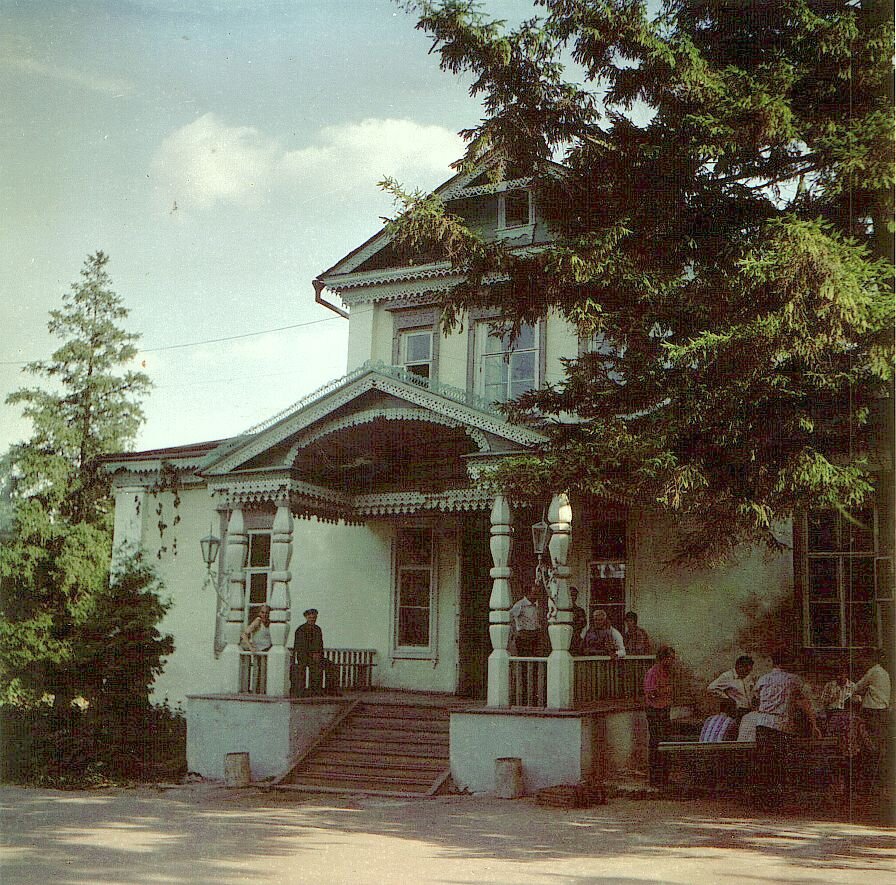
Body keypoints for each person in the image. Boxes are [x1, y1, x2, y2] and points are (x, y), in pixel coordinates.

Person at [752, 650, 821, 809]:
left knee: (763, 762)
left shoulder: (763, 679)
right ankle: (775, 801)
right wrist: (814, 724)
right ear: (787, 663)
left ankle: (761, 800)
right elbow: (804, 703)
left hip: (762, 722)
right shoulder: (793, 680)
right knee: (779, 763)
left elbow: (755, 698)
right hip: (781, 725)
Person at [851, 652, 891, 788]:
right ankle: (878, 779)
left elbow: (857, 687)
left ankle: (869, 779)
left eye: (863, 659)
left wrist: (853, 693)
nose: (861, 663)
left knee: (868, 743)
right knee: (878, 743)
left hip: (872, 711)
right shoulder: (884, 673)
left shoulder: (873, 671)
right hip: (883, 710)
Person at [643, 645, 676, 787]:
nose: (672, 661)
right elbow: (651, 693)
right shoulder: (653, 673)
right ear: (663, 658)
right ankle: (655, 778)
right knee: (656, 743)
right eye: (670, 658)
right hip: (655, 710)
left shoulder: (667, 672)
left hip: (664, 708)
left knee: (665, 742)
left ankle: (664, 777)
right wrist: (663, 691)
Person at [707, 655, 755, 720]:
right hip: (736, 711)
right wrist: (727, 698)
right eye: (746, 670)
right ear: (739, 666)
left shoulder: (748, 677)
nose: (748, 673)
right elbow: (711, 688)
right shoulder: (727, 676)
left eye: (750, 670)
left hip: (748, 711)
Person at [291, 608, 324, 697]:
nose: (312, 619)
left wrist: (318, 654)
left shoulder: (318, 629)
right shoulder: (301, 629)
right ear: (306, 617)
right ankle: (300, 692)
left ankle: (315, 691)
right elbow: (298, 644)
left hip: (315, 656)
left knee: (318, 669)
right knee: (301, 671)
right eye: (310, 617)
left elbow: (320, 643)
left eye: (314, 617)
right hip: (303, 655)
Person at [239, 604, 272, 693]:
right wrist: (250, 647)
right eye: (262, 612)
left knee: (267, 673)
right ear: (259, 613)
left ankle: (264, 690)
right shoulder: (258, 621)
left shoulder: (270, 622)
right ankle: (257, 691)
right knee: (259, 672)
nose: (265, 615)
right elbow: (244, 634)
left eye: (267, 613)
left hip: (268, 650)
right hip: (260, 650)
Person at [509, 586, 543, 657]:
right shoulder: (520, 605)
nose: (536, 595)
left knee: (535, 658)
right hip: (523, 636)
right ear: (528, 593)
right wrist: (514, 631)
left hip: (535, 635)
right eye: (534, 593)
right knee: (524, 658)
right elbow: (510, 617)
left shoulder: (537, 605)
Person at [568, 587, 587, 655]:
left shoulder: (580, 611)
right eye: (571, 595)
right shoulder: (559, 610)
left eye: (574, 595)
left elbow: (581, 624)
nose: (573, 597)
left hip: (575, 640)